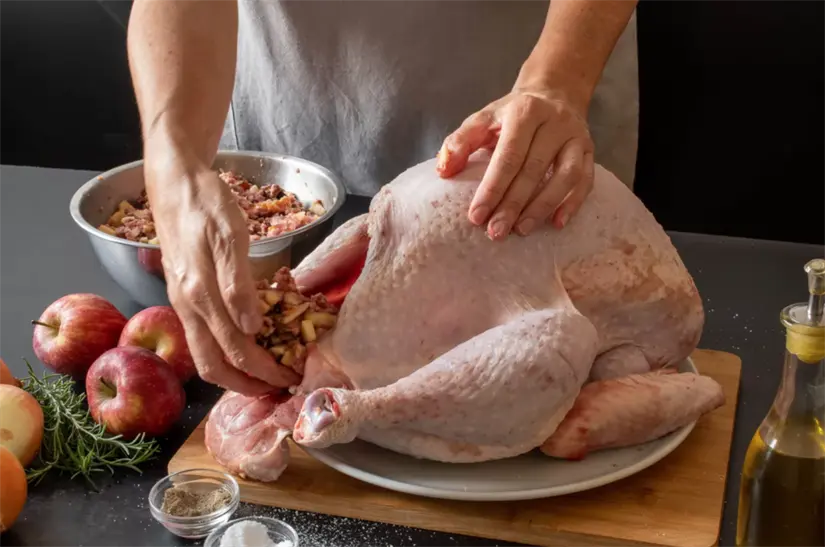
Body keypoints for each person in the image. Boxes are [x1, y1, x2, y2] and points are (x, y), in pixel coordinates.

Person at [126, 0, 640, 395]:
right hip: (299, 97)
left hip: (529, 87)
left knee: (561, 361)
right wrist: (176, 165)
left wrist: (557, 80)